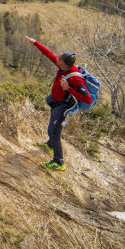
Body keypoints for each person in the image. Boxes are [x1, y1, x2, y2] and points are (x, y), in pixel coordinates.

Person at [24, 36, 92, 171]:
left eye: (59, 57)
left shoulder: (74, 77)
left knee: (53, 131)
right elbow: (49, 54)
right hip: (56, 103)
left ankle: (58, 162)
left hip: (63, 107)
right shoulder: (64, 67)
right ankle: (50, 144)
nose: (56, 56)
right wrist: (35, 43)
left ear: (62, 62)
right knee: (53, 128)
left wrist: (69, 88)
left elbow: (87, 99)